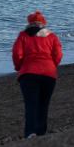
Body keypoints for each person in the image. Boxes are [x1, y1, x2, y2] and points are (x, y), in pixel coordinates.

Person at [12, 10, 63, 138]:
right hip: (48, 73)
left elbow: (17, 54)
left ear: (29, 22)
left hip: (28, 73)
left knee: (31, 104)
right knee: (43, 104)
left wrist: (19, 67)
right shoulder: (52, 36)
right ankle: (41, 132)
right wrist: (52, 66)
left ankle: (30, 133)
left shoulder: (23, 35)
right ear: (43, 23)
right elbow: (58, 55)